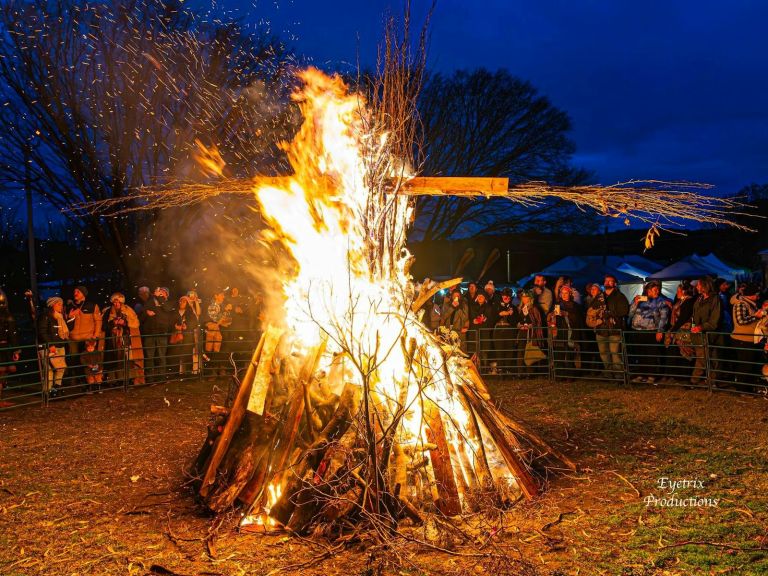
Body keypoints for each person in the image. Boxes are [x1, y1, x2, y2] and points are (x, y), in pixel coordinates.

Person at [627, 280, 670, 384]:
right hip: (637, 330)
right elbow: (630, 313)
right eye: (655, 289)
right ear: (648, 290)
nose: (657, 291)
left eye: (658, 289)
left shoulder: (661, 301)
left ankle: (651, 375)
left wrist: (660, 331)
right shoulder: (639, 299)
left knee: (651, 353)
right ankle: (642, 374)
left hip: (651, 330)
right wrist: (635, 303)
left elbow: (664, 317)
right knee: (640, 352)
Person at [592, 275, 630, 381]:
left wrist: (609, 313)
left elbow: (624, 311)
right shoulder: (599, 296)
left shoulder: (620, 296)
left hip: (614, 329)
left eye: (610, 281)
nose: (608, 282)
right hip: (601, 330)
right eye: (606, 281)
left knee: (615, 354)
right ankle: (609, 374)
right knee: (604, 353)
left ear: (615, 283)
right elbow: (592, 308)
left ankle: (619, 376)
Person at [102, 292, 145, 386]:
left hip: (125, 338)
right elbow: (104, 326)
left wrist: (124, 323)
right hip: (113, 340)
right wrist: (113, 322)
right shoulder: (108, 312)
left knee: (127, 359)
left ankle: (129, 379)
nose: (116, 304)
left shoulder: (128, 310)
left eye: (118, 302)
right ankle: (116, 380)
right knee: (115, 360)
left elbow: (135, 323)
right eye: (115, 302)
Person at [730, 283, 767, 390]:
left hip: (749, 338)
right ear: (751, 294)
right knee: (745, 365)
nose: (758, 296)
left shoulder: (750, 303)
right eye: (757, 294)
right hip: (742, 339)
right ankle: (742, 389)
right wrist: (756, 316)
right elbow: (740, 321)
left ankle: (749, 387)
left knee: (749, 364)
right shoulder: (741, 304)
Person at [547, 284, 585, 381]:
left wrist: (566, 314)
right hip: (560, 332)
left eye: (566, 293)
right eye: (562, 293)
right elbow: (549, 317)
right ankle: (559, 375)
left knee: (569, 354)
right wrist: (552, 315)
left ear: (570, 294)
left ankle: (570, 376)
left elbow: (578, 319)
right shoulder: (557, 305)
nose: (564, 295)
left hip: (570, 332)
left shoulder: (575, 306)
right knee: (559, 353)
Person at [661, 281, 696, 384]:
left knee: (683, 352)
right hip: (677, 330)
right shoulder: (681, 301)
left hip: (683, 331)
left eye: (678, 290)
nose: (677, 292)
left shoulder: (688, 302)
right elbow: (677, 314)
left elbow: (683, 317)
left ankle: (683, 377)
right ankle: (674, 375)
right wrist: (671, 307)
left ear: (684, 291)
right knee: (674, 352)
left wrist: (673, 329)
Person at [690, 276, 721, 386]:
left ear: (705, 285)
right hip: (699, 335)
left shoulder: (714, 299)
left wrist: (701, 327)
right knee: (704, 357)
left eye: (698, 284)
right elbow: (695, 315)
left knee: (707, 358)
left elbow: (714, 320)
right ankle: (711, 381)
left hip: (709, 334)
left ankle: (696, 381)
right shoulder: (699, 299)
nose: (697, 286)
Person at [139, 287, 174, 383]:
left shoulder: (167, 303)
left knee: (161, 356)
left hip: (162, 333)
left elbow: (167, 308)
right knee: (149, 357)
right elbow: (142, 314)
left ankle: (161, 378)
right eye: (159, 292)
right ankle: (149, 379)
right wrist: (146, 313)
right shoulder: (150, 301)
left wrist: (159, 298)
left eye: (163, 293)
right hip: (150, 333)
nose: (160, 294)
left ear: (166, 294)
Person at [66, 286, 102, 375]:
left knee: (87, 360)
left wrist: (95, 335)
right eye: (74, 291)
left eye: (78, 291)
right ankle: (75, 380)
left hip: (87, 338)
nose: (75, 293)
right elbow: (63, 321)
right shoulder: (69, 306)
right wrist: (69, 316)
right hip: (73, 338)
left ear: (84, 294)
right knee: (74, 360)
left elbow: (98, 321)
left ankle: (88, 381)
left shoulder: (92, 305)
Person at [37, 296, 69, 397]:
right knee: (49, 369)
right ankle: (47, 391)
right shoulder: (45, 316)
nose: (61, 306)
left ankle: (56, 388)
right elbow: (42, 331)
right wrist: (50, 344)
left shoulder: (60, 317)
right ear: (52, 305)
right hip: (49, 347)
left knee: (60, 368)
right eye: (59, 304)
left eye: (61, 304)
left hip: (60, 346)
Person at [515, 290, 545, 378]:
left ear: (530, 298)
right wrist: (519, 325)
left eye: (526, 297)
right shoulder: (520, 308)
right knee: (520, 351)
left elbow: (538, 321)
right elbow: (517, 320)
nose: (524, 299)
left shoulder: (534, 308)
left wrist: (532, 325)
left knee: (529, 351)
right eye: (523, 297)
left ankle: (529, 373)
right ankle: (520, 372)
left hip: (531, 333)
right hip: (522, 332)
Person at [205, 289, 232, 375]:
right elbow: (215, 319)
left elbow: (229, 320)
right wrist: (226, 311)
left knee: (223, 351)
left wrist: (226, 315)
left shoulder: (222, 306)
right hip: (215, 332)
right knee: (214, 352)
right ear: (216, 296)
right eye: (221, 295)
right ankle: (213, 372)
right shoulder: (212, 306)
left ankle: (221, 369)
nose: (223, 296)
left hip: (223, 332)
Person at [491, 288, 517, 375]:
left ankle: (508, 369)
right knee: (499, 350)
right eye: (504, 295)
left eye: (508, 295)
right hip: (498, 330)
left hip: (509, 331)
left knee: (509, 350)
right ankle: (500, 370)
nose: (506, 297)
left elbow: (515, 322)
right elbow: (492, 319)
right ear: (502, 296)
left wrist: (510, 315)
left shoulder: (513, 307)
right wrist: (500, 314)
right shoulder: (496, 306)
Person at [0, 289, 21, 398]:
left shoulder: (7, 316)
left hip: (4, 347)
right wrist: (16, 350)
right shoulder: (7, 316)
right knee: (2, 372)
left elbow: (12, 334)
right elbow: (13, 334)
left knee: (3, 373)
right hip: (3, 347)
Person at [171, 295, 199, 377]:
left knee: (187, 355)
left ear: (187, 303)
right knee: (176, 354)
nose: (181, 303)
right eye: (180, 301)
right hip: (177, 336)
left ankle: (188, 374)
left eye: (184, 301)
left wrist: (187, 326)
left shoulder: (190, 312)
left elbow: (195, 323)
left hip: (187, 337)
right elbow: (170, 322)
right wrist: (174, 326)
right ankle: (175, 374)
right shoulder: (175, 312)